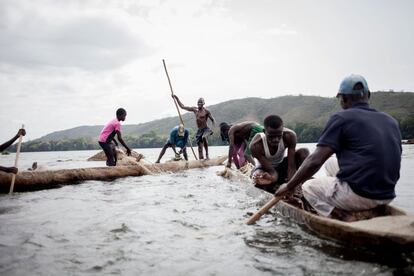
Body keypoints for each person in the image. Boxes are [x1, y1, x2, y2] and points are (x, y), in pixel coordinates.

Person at [274, 74, 402, 221]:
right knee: (330, 163)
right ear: (368, 95)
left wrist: (289, 186)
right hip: (387, 194)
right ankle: (339, 199)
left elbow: (315, 161)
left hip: (361, 195)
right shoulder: (390, 120)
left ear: (344, 99)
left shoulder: (342, 118)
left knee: (308, 187)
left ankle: (342, 216)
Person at [250, 115, 309, 193]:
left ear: (282, 131)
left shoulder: (290, 136)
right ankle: (267, 183)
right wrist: (270, 178)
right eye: (271, 137)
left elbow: (291, 166)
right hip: (266, 169)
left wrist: (291, 187)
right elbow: (273, 172)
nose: (275, 140)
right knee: (259, 176)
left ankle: (299, 184)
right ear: (264, 132)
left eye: (279, 136)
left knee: (304, 152)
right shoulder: (256, 145)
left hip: (280, 166)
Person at [173, 95, 215, 159]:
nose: (199, 104)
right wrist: (176, 98)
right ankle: (201, 160)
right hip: (199, 131)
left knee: (204, 137)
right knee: (199, 148)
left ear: (203, 104)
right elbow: (183, 107)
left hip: (206, 129)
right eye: (198, 103)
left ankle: (207, 154)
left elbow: (213, 120)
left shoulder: (206, 111)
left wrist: (212, 129)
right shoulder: (195, 110)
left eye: (201, 103)